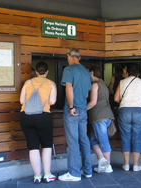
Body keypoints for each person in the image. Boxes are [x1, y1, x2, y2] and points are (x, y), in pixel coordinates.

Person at [19, 61, 57, 184]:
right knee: (46, 145)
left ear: (35, 71)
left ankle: (37, 176)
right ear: (47, 71)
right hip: (43, 116)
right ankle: (47, 175)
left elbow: (21, 101)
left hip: (26, 115)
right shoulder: (51, 83)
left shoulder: (28, 82)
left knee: (33, 146)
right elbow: (52, 102)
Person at [58, 48, 92, 181]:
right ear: (79, 57)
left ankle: (74, 173)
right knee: (84, 140)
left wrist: (71, 107)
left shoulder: (69, 69)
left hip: (73, 110)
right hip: (83, 110)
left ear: (68, 56)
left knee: (72, 142)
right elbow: (87, 93)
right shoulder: (86, 72)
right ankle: (87, 171)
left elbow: (69, 88)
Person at [114, 63, 141, 172]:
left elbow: (116, 98)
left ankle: (126, 164)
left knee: (125, 137)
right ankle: (136, 165)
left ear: (126, 73)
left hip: (124, 110)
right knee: (138, 138)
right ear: (138, 74)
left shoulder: (122, 82)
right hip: (140, 111)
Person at [87, 64, 115, 174]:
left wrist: (82, 109)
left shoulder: (95, 85)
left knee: (103, 141)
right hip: (106, 116)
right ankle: (102, 161)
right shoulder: (102, 83)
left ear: (92, 73)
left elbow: (93, 102)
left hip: (99, 117)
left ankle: (108, 166)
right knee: (93, 140)